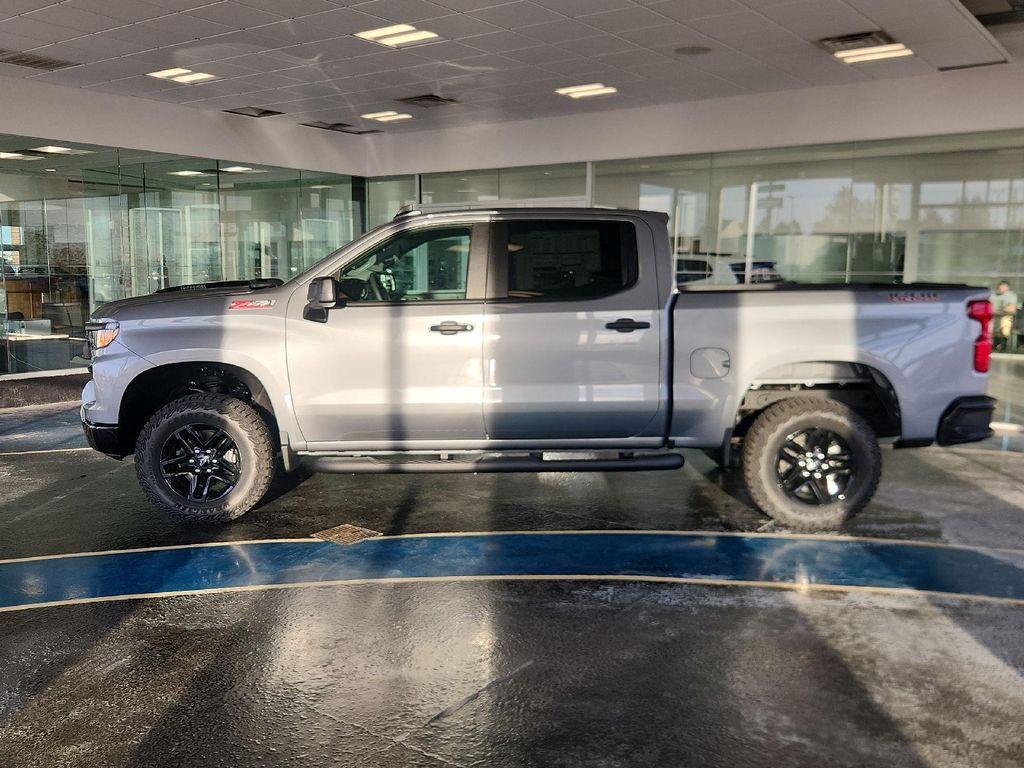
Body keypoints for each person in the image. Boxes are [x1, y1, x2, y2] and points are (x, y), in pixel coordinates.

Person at [992, 280, 1019, 352]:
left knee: (1005, 320)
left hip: (1005, 316)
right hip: (993, 316)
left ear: (1008, 288)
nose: (1001, 288)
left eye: (1004, 287)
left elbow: (1012, 309)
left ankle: (1002, 342)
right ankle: (994, 341)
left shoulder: (1011, 296)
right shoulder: (993, 295)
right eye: (1000, 287)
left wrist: (1000, 309)